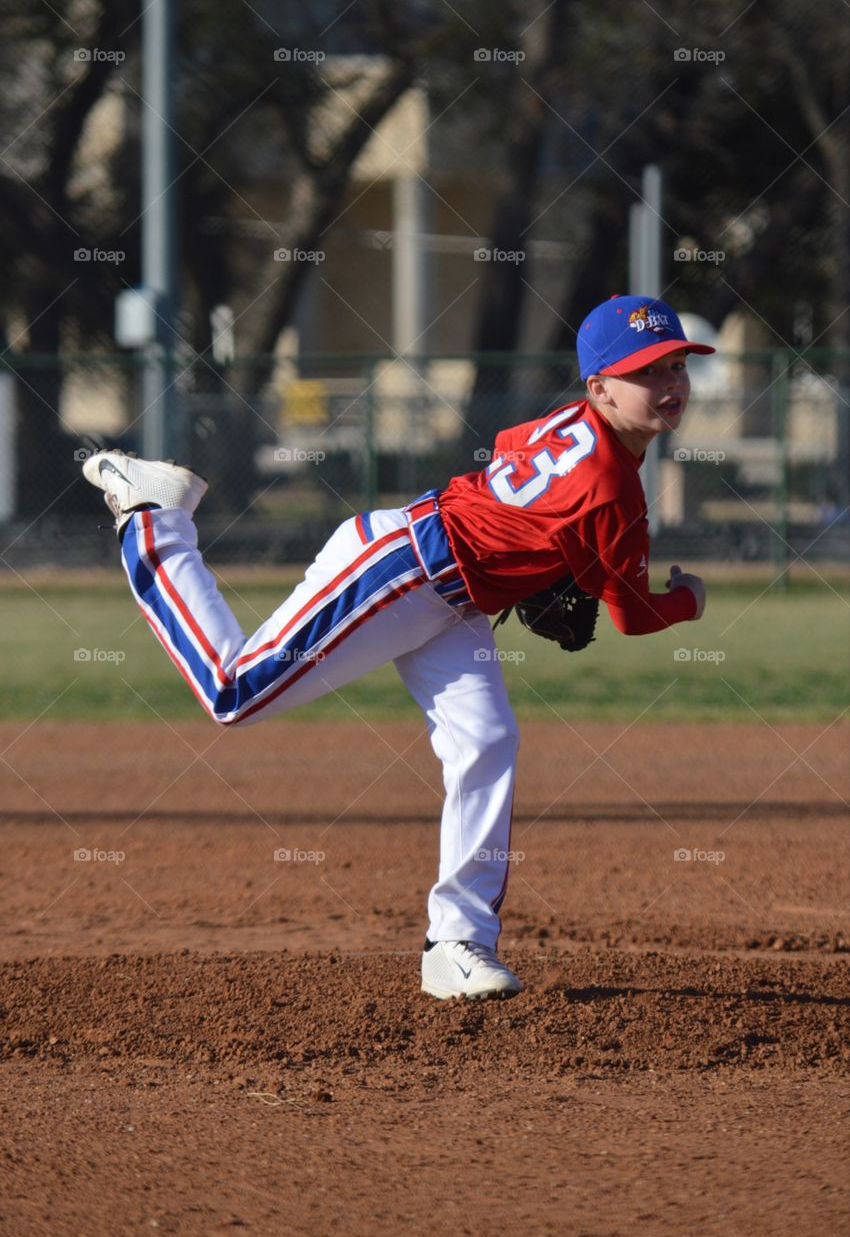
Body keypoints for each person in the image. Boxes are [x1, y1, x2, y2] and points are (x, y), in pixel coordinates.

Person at [83, 294, 712, 1001]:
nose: (669, 384)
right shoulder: (614, 491)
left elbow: (509, 447)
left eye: (676, 365)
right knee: (234, 692)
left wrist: (534, 554)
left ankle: (456, 943)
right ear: (600, 387)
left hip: (453, 597)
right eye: (646, 371)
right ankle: (153, 518)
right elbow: (631, 615)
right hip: (403, 569)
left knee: (488, 741)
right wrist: (689, 599)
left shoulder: (574, 422)